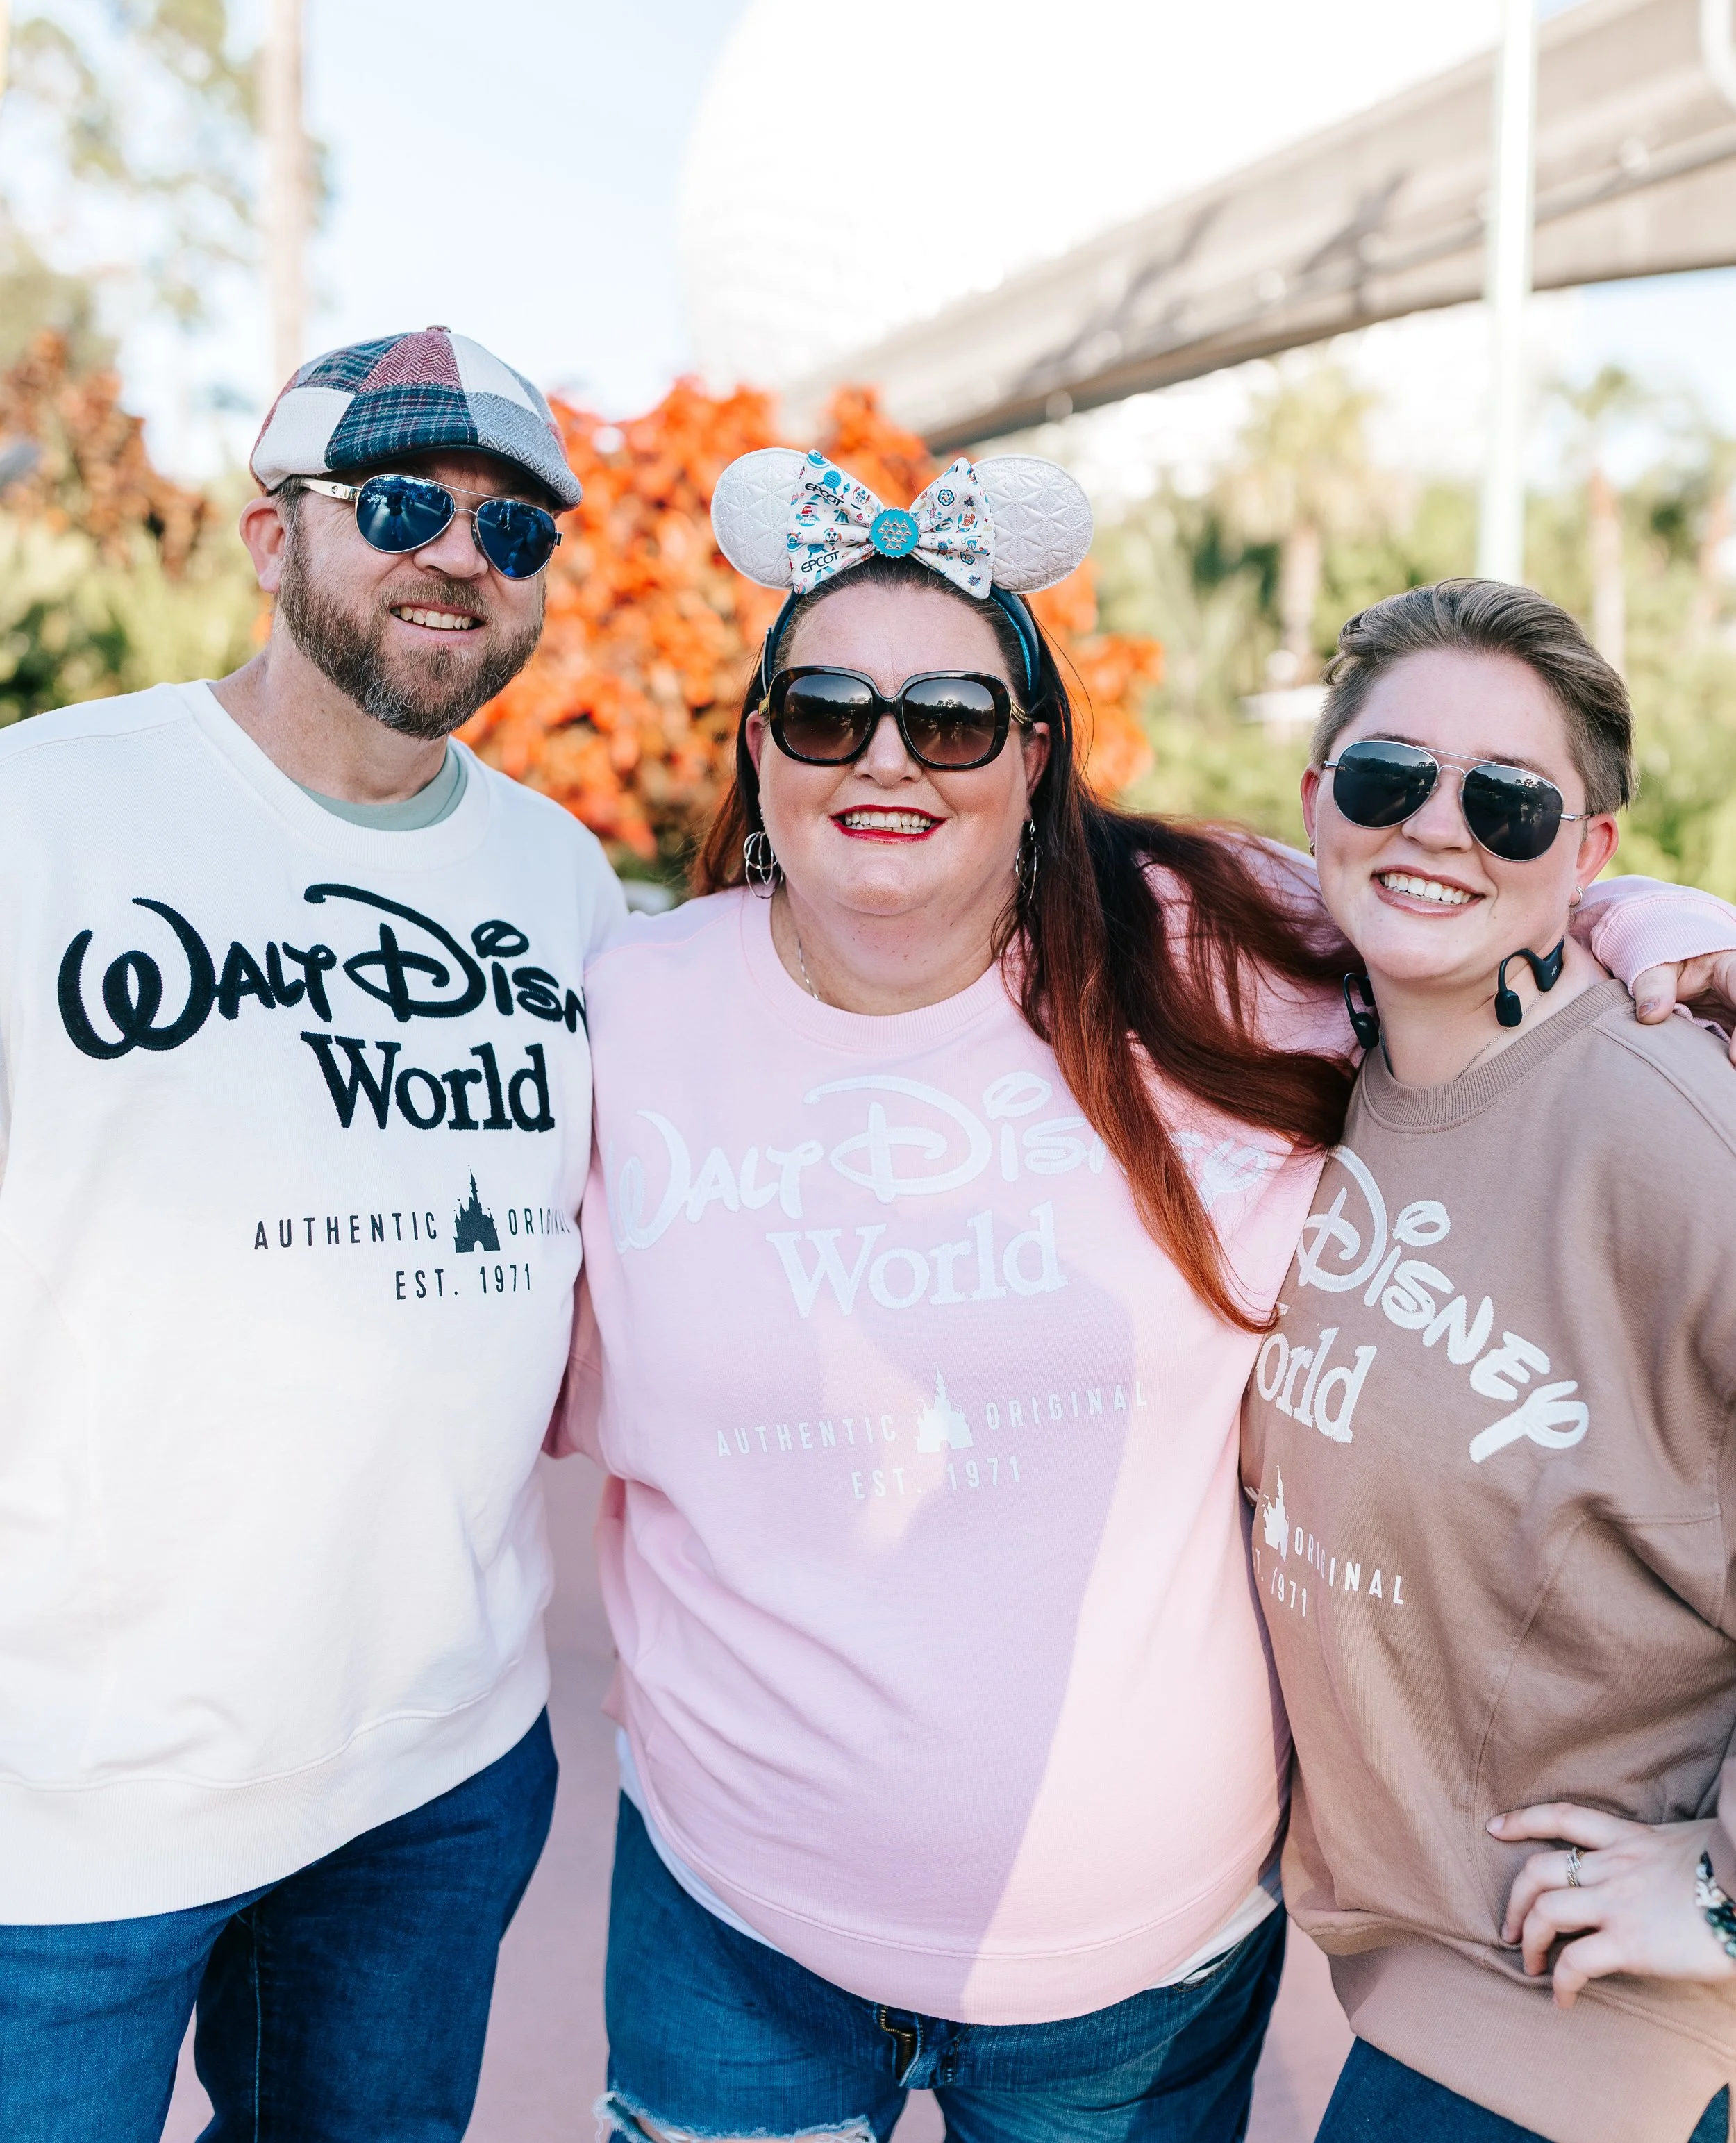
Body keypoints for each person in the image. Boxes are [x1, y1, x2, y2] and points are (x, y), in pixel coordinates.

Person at [551, 443, 1736, 2143]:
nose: (886, 759)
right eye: (825, 712)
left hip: (1132, 1989)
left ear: (1033, 755)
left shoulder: (1215, 943)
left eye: (951, 719)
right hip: (729, 1924)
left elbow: (1439, 897)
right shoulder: (629, 1001)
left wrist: (1640, 920)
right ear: (760, 744)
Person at [0, 326, 626, 2143]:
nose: (459, 555)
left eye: (515, 531)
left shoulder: (561, 876)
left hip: (431, 1777)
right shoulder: (45, 808)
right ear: (273, 536)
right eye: (403, 503)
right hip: (69, 1797)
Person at [1241, 578, 1736, 2143]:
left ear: (1586, 855)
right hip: (1416, 1980)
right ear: (1320, 801)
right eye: (1390, 779)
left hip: (1572, 2039)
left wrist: (1724, 1896)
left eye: (1509, 804)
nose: (1436, 831)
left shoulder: (1671, 1131)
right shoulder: (1318, 1059)